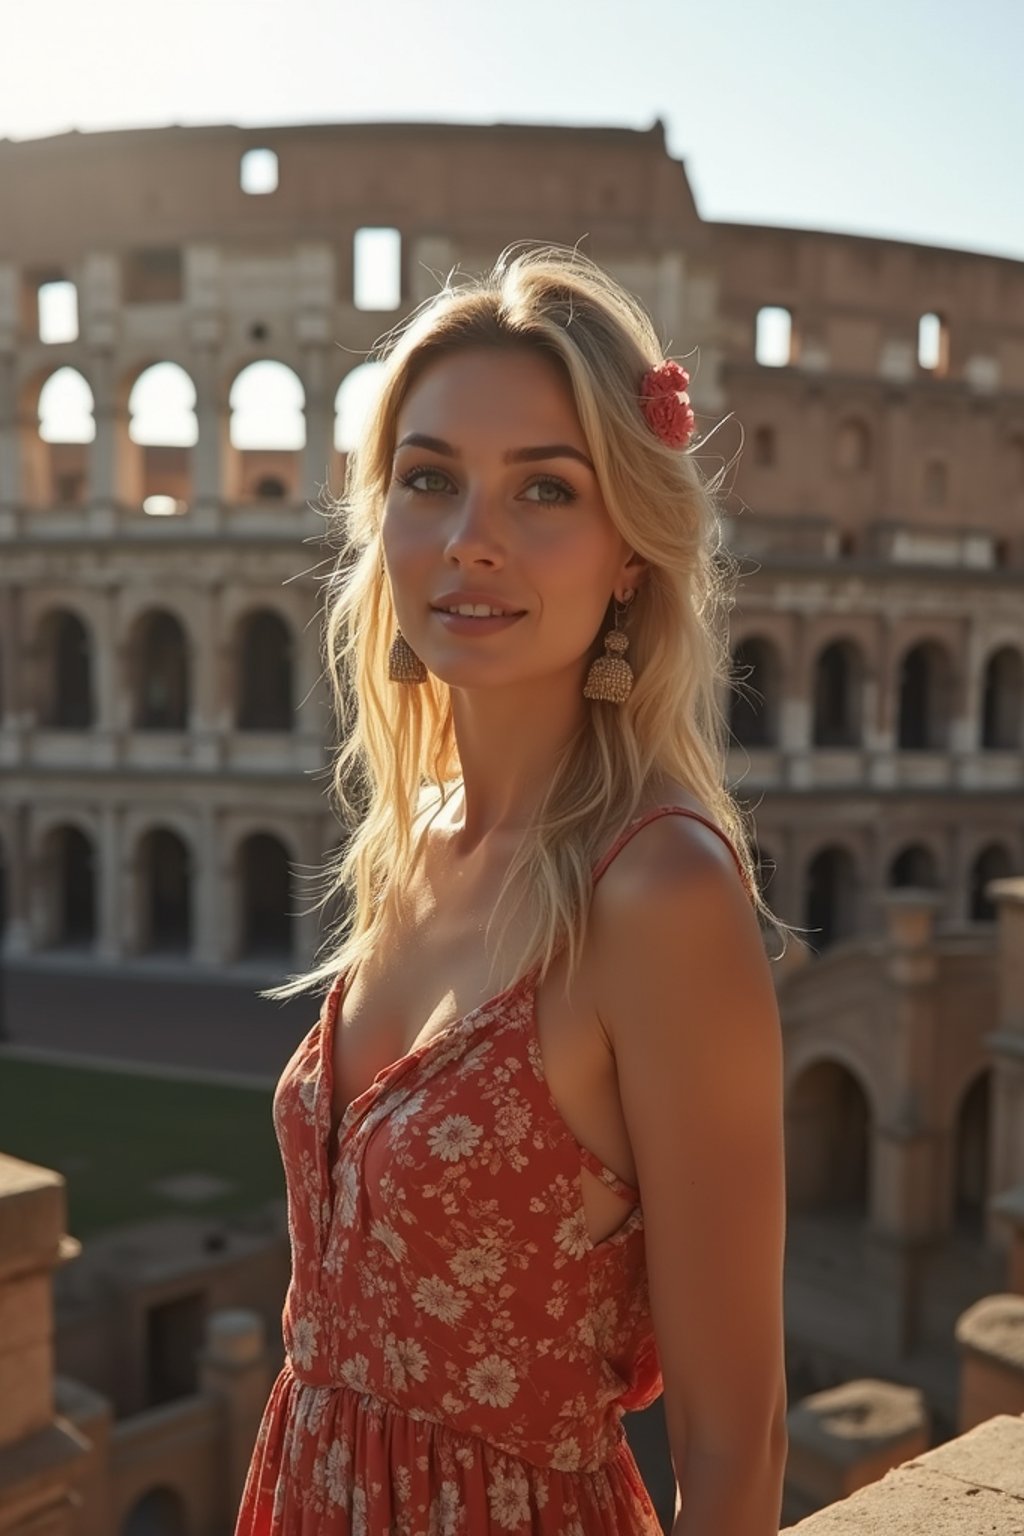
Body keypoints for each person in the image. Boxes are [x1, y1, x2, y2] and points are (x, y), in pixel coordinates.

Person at [235, 243, 793, 1535]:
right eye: (428, 480)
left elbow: (735, 1435)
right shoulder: (414, 835)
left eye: (545, 490)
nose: (470, 541)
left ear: (632, 556)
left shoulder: (657, 891)